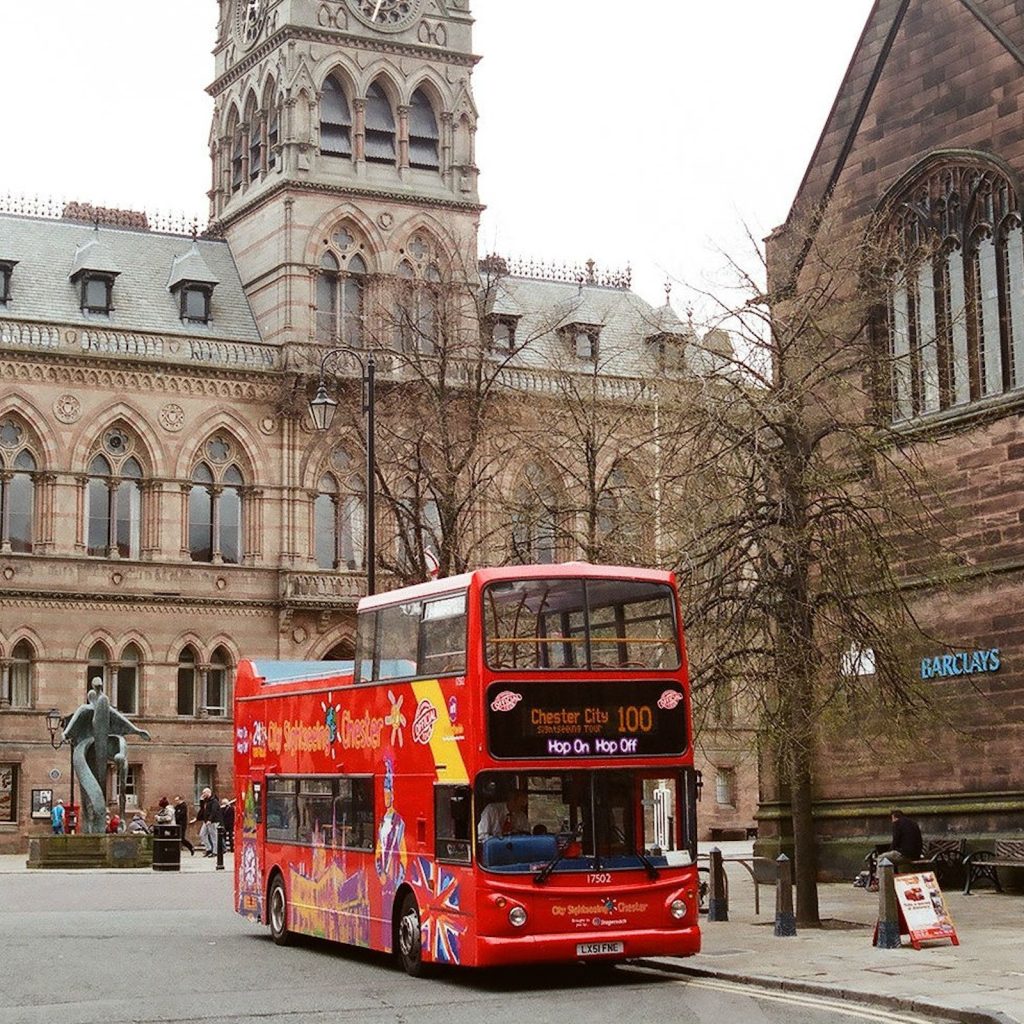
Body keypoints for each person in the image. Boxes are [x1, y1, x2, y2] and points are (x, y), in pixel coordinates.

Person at [870, 809, 924, 887]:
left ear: (894, 817)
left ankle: (878, 882)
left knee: (882, 858)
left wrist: (889, 851)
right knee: (890, 858)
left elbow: (895, 841)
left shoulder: (897, 823)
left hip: (905, 854)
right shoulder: (913, 823)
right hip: (916, 855)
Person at [195, 787, 222, 857]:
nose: (203, 794)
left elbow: (214, 811)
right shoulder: (206, 801)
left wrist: (210, 819)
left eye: (204, 793)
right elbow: (202, 809)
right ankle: (208, 848)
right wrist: (201, 800)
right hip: (206, 820)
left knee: (214, 836)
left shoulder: (214, 801)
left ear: (208, 792)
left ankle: (215, 851)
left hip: (213, 821)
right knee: (202, 834)